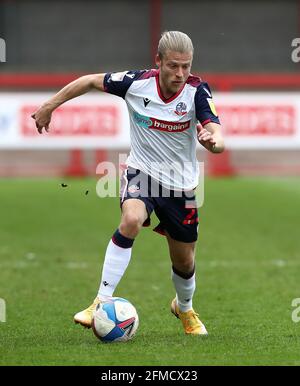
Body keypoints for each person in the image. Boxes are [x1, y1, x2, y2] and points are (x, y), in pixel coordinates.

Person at [32, 31, 224, 335]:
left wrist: (213, 142)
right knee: (132, 219)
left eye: (186, 66)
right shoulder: (136, 83)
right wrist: (49, 106)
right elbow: (89, 80)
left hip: (182, 188)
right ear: (158, 61)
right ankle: (100, 301)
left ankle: (184, 309)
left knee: (185, 262)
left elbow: (216, 132)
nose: (180, 73)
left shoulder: (197, 91)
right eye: (173, 66)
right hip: (142, 173)